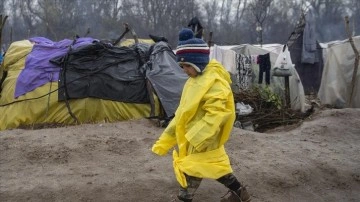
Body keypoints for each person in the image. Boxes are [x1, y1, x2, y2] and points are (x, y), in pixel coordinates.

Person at [151, 28, 251, 202]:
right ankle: (240, 194)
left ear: (198, 62)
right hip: (193, 138)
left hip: (203, 140)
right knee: (216, 168)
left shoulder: (215, 82)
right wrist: (166, 139)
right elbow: (182, 113)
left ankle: (183, 199)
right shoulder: (193, 81)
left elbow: (218, 114)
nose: (184, 70)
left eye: (187, 65)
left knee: (192, 171)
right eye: (182, 66)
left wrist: (198, 137)